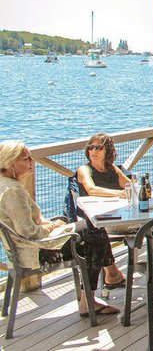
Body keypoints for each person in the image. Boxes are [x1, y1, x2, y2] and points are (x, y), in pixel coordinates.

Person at [0, 141, 121, 317]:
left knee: (91, 232)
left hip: (24, 250)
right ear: (11, 163)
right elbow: (28, 232)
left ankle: (111, 276)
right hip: (34, 254)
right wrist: (54, 226)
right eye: (27, 159)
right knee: (93, 233)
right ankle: (96, 292)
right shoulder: (12, 191)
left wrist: (53, 226)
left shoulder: (6, 185)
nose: (32, 161)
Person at [70, 133, 129, 290]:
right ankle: (112, 273)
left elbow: (130, 186)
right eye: (91, 147)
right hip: (92, 219)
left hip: (115, 217)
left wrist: (135, 187)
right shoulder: (84, 169)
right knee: (96, 231)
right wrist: (119, 194)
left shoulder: (113, 169)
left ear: (107, 150)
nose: (93, 151)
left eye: (98, 148)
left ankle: (113, 274)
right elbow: (91, 189)